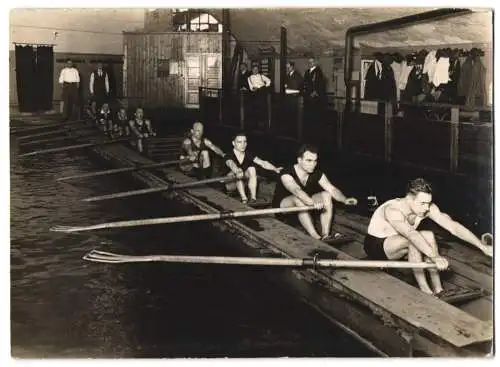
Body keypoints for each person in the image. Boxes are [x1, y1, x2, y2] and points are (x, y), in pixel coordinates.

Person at [364, 178, 493, 296]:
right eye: (423, 203)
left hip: (400, 242)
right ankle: (425, 291)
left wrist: (482, 247)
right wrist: (435, 257)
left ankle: (439, 290)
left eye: (428, 203)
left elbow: (453, 227)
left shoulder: (426, 207)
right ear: (409, 199)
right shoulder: (393, 209)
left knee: (428, 235)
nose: (426, 208)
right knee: (413, 241)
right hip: (377, 246)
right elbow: (411, 234)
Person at [272, 144, 358, 243]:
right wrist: (312, 203)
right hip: (283, 208)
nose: (313, 164)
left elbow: (332, 189)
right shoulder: (286, 173)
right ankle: (316, 237)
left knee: (326, 194)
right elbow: (297, 191)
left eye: (315, 161)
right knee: (297, 198)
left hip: (306, 206)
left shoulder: (317, 174)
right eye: (309, 160)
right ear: (299, 160)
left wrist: (344, 199)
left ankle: (326, 235)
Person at [225, 132, 282, 205]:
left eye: (245, 142)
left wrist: (275, 169)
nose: (243, 145)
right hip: (230, 185)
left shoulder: (248, 154)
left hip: (244, 182)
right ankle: (244, 199)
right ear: (233, 143)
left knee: (252, 168)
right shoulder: (228, 155)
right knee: (236, 173)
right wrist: (236, 170)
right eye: (239, 142)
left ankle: (253, 199)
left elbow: (262, 162)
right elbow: (231, 164)